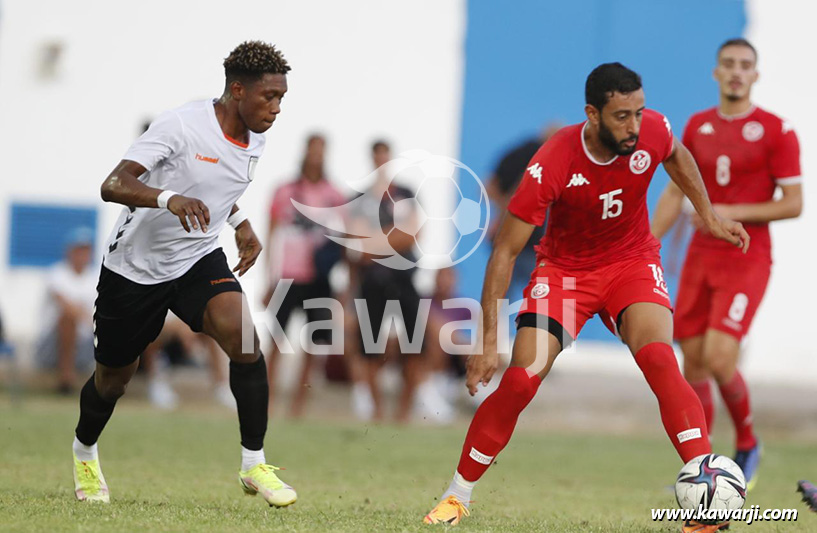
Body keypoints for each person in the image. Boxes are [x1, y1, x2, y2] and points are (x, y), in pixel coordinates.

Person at [422, 63, 748, 531]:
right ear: (592, 115)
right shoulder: (553, 161)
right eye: (621, 116)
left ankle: (707, 509)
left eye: (638, 112)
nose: (634, 126)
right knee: (520, 382)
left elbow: (677, 155)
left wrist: (709, 216)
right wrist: (487, 338)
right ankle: (457, 496)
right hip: (565, 275)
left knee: (660, 359)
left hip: (631, 263)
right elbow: (505, 251)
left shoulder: (652, 130)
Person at [70, 41, 296, 508]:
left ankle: (254, 464)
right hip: (135, 269)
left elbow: (215, 185)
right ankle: (85, 451)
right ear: (238, 90)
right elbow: (113, 184)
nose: (276, 108)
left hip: (196, 257)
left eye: (281, 98)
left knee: (245, 340)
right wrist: (168, 199)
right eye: (269, 97)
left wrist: (240, 223)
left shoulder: (256, 137)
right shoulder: (182, 125)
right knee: (113, 380)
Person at [651, 38, 802, 491]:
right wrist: (646, 243)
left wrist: (727, 213)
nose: (737, 72)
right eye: (729, 64)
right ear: (716, 72)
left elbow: (793, 203)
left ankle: (749, 444)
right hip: (701, 255)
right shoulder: (697, 126)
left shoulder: (776, 130)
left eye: (745, 65)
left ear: (756, 74)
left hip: (746, 256)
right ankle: (705, 467)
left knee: (720, 357)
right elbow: (675, 191)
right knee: (694, 362)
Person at [263, 133, 346, 418]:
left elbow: (345, 240)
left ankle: (298, 406)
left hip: (319, 279)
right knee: (276, 340)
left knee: (314, 345)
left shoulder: (334, 194)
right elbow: (271, 234)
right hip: (288, 276)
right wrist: (269, 279)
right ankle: (267, 400)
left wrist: (344, 283)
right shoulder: (284, 190)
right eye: (313, 150)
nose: (316, 156)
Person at [347, 140, 425, 423]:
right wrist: (395, 237)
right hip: (373, 281)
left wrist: (377, 241)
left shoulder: (405, 193)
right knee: (369, 347)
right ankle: (378, 410)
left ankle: (403, 411)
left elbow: (414, 233)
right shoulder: (360, 197)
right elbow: (359, 243)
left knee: (415, 344)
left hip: (404, 278)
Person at [486, 122, 562, 301]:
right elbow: (524, 187)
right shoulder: (539, 158)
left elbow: (488, 186)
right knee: (544, 292)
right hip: (528, 240)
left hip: (508, 237)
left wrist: (499, 214)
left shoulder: (513, 155)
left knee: (498, 294)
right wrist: (504, 213)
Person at [34, 227, 97, 394]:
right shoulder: (56, 274)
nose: (82, 255)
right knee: (67, 319)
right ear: (69, 252)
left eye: (86, 250)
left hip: (84, 344)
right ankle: (66, 377)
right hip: (52, 345)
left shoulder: (95, 277)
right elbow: (64, 304)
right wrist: (84, 316)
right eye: (78, 250)